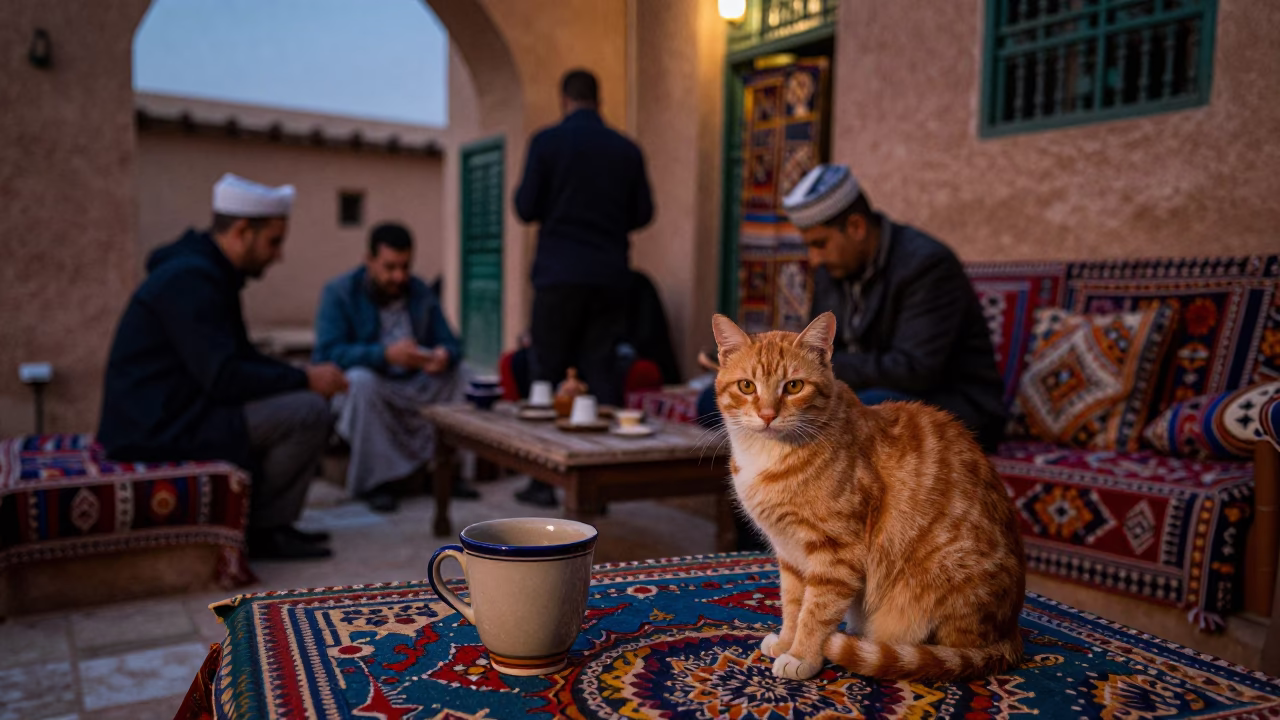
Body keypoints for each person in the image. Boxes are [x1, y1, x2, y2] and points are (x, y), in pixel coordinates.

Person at [99, 173, 347, 560]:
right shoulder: (191, 280)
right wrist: (304, 379)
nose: (278, 255)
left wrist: (298, 374)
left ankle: (263, 521)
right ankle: (265, 529)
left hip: (178, 411)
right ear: (243, 231)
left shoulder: (205, 273)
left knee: (299, 396)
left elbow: (236, 357)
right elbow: (225, 377)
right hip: (157, 427)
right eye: (274, 242)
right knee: (308, 412)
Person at [699, 164, 1006, 451]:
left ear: (856, 227)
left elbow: (916, 370)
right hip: (867, 390)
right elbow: (818, 343)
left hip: (949, 404)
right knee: (710, 402)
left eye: (819, 244)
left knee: (862, 409)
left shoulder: (927, 265)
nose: (814, 258)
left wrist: (810, 368)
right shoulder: (833, 269)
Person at [513, 68, 655, 507]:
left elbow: (525, 206)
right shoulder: (626, 150)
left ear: (564, 99)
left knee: (547, 372)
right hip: (609, 275)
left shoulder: (546, 143)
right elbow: (643, 213)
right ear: (599, 99)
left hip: (558, 275)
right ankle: (602, 481)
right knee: (601, 372)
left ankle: (543, 481)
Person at [313, 222, 472, 513]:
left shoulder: (420, 291)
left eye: (404, 267)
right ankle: (378, 482)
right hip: (375, 384)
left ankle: (445, 471)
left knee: (463, 375)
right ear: (369, 260)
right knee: (361, 382)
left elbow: (452, 343)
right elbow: (327, 354)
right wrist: (385, 355)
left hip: (416, 382)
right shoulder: (339, 292)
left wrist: (442, 355)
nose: (398, 276)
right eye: (389, 267)